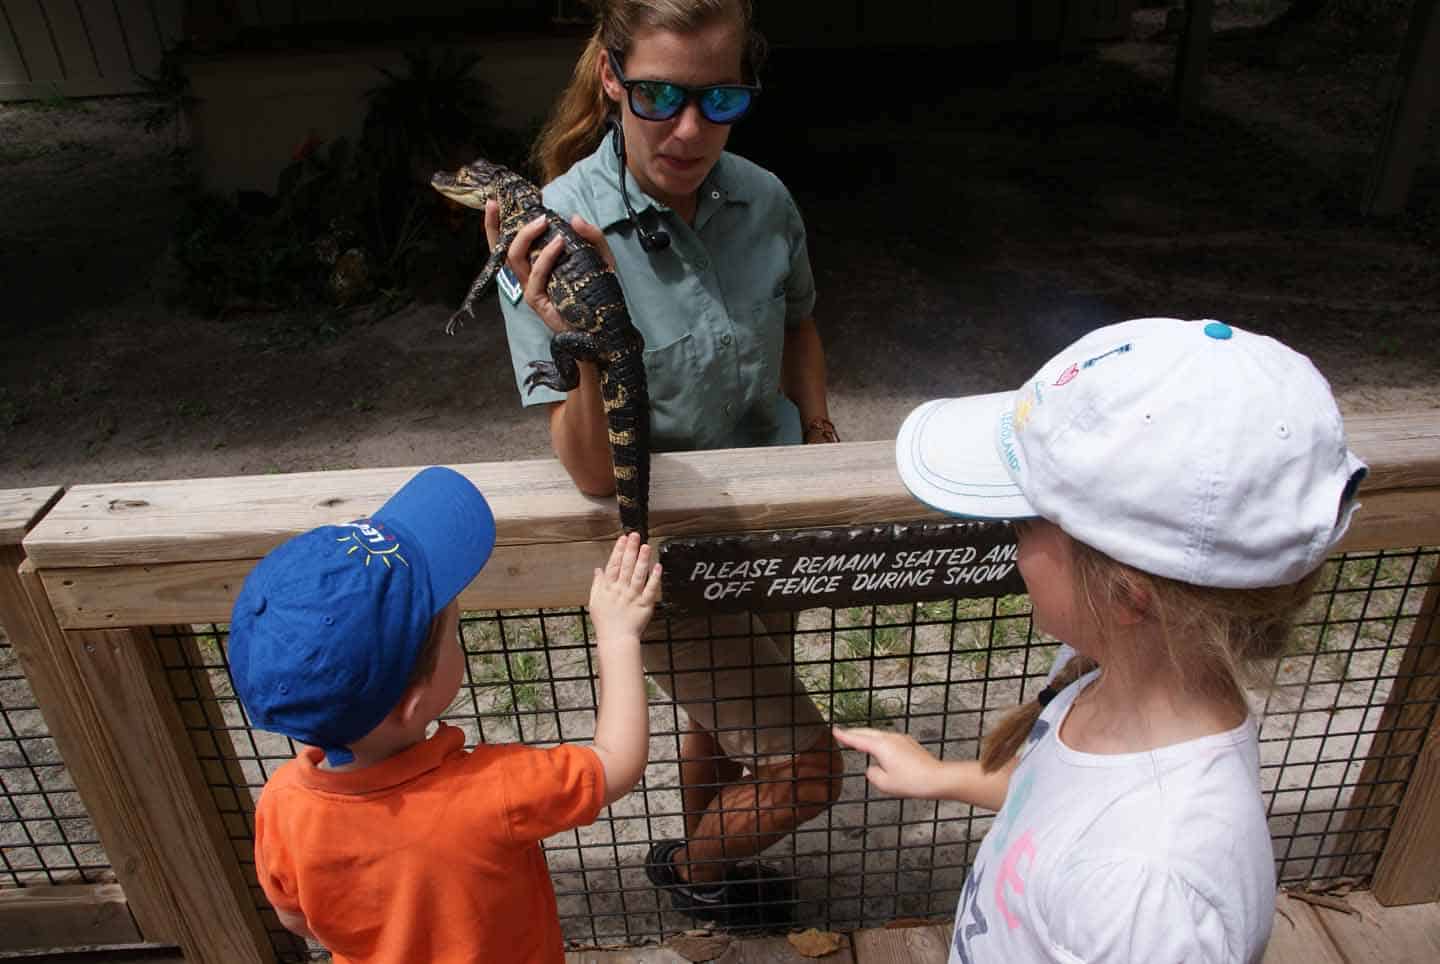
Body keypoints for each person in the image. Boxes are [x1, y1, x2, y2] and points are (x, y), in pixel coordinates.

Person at [834, 317, 1369, 963]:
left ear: (1125, 596)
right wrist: (939, 777)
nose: (1013, 542)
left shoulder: (1150, 892)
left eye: (1026, 525)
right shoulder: (1114, 677)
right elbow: (1056, 800)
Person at [488, 0, 842, 927]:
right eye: (658, 95)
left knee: (721, 723)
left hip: (766, 522)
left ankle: (712, 883)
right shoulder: (551, 232)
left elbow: (798, 319)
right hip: (662, 551)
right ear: (611, 77)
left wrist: (816, 422)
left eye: (719, 98)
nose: (690, 131)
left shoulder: (763, 197)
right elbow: (594, 477)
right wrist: (590, 339)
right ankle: (692, 861)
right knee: (809, 768)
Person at [227, 466, 662, 964]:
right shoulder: (491, 791)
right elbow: (616, 760)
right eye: (455, 629)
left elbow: (297, 920)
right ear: (412, 705)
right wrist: (618, 634)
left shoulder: (282, 805)